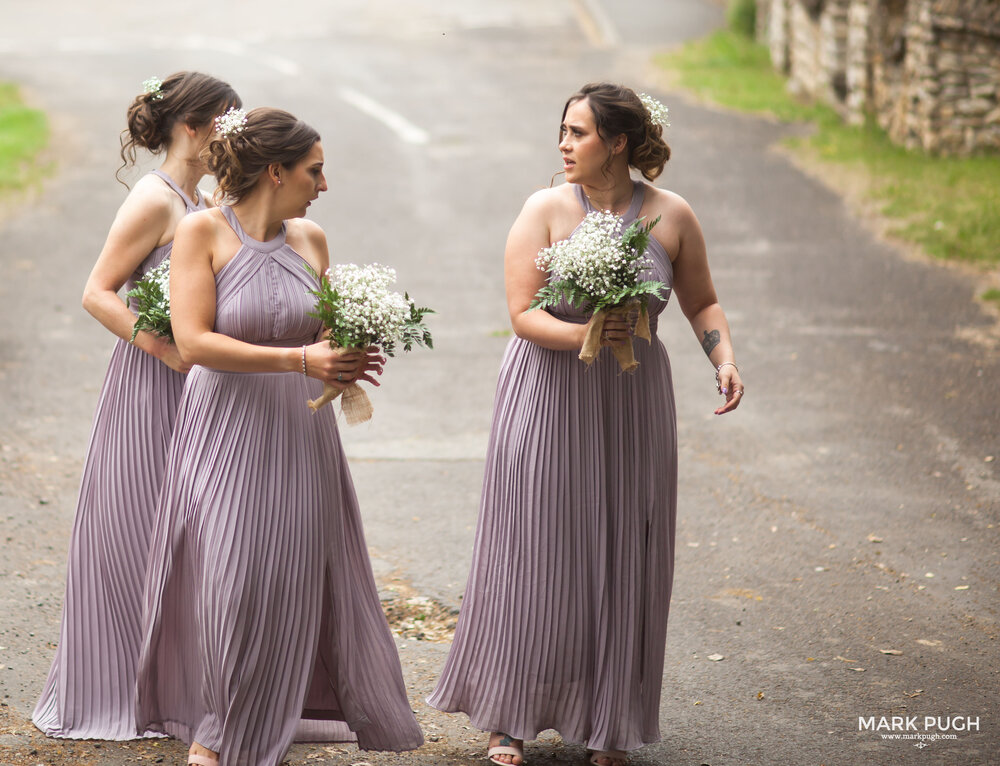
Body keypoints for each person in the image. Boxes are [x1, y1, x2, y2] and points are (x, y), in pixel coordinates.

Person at [427, 82, 744, 766]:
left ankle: (611, 720)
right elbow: (521, 313)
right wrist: (590, 334)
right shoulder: (543, 209)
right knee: (535, 547)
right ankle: (509, 717)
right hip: (546, 395)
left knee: (625, 547)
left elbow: (702, 301)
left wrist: (723, 358)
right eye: (563, 130)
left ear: (619, 142)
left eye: (578, 132)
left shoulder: (672, 215)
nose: (563, 145)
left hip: (632, 403)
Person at [134, 107, 424, 766]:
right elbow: (194, 340)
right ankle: (217, 726)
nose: (323, 185)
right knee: (232, 581)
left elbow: (320, 331)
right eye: (314, 171)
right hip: (225, 430)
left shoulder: (312, 239)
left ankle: (254, 718)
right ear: (276, 171)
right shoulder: (201, 232)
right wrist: (299, 360)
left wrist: (343, 353)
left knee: (288, 579)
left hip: (302, 434)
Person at [33, 71, 241, 740]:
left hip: (200, 389)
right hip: (153, 385)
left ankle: (186, 686)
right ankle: (121, 688)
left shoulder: (202, 194)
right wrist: (165, 350)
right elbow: (97, 291)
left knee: (195, 540)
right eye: (227, 123)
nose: (235, 135)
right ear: (193, 127)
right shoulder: (155, 199)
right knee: (136, 531)